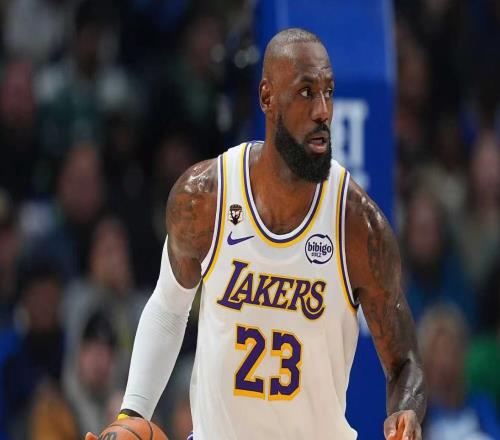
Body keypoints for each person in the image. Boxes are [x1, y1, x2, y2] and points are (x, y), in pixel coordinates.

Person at [88, 28, 426, 439]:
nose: (323, 111)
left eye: (328, 92)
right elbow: (168, 309)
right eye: (306, 92)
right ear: (267, 97)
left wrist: (405, 411)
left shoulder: (357, 224)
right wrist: (132, 412)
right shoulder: (205, 197)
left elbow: (404, 362)